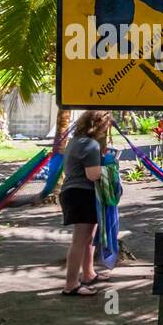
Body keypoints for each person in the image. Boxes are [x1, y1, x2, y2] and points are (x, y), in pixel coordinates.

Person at [59, 109, 113, 297]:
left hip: (74, 193)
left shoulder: (75, 141)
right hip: (81, 194)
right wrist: (110, 169)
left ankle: (88, 274)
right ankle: (71, 284)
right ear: (100, 125)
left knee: (88, 238)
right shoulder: (90, 145)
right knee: (80, 241)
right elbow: (93, 175)